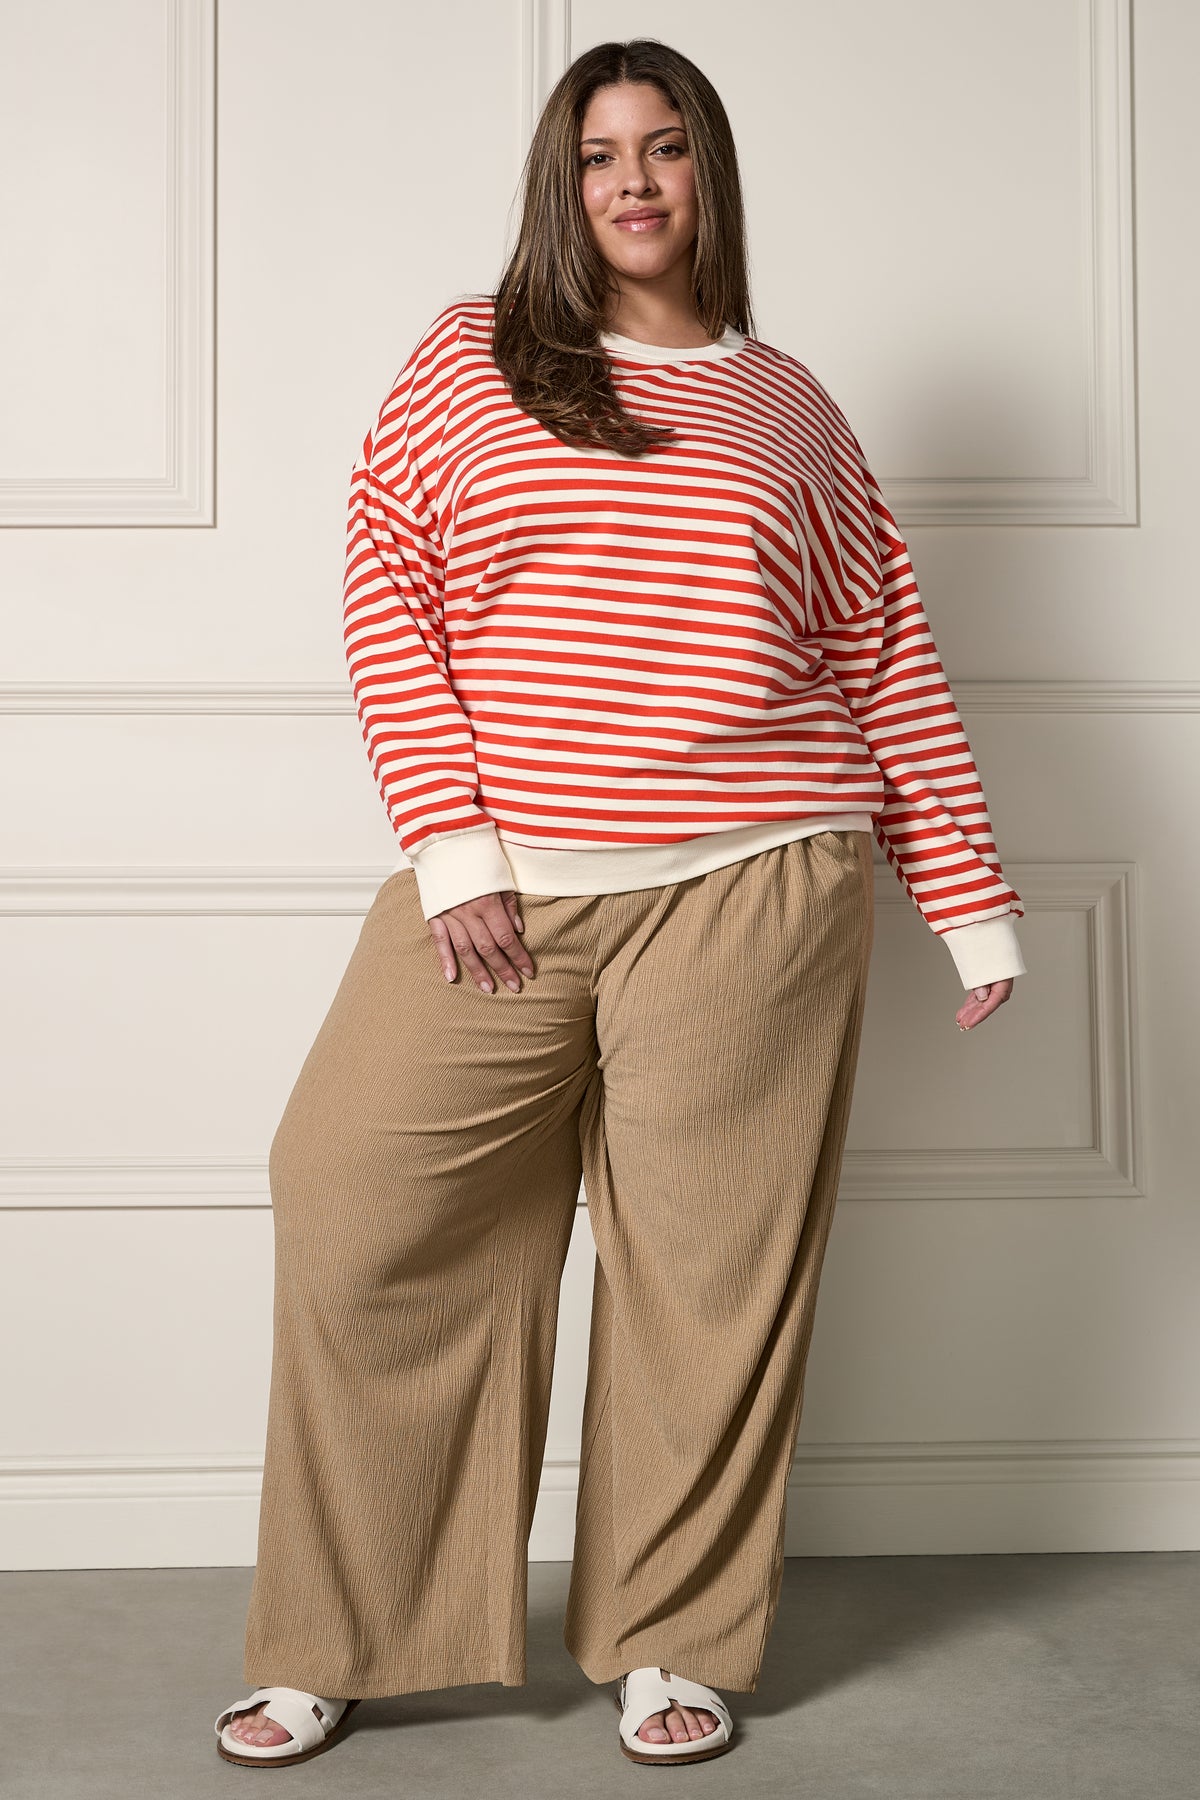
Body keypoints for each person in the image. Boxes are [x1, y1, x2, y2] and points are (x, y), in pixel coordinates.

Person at [214, 36, 1026, 1771]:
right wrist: (455, 852)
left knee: (708, 1275)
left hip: (759, 884)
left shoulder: (788, 402)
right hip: (506, 890)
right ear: (560, 183)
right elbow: (389, 592)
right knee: (352, 1195)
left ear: (710, 172)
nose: (634, 182)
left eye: (665, 148)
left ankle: (674, 1636)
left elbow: (882, 651)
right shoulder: (476, 353)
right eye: (599, 155)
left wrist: (970, 902)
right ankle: (342, 1632)